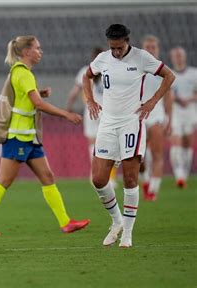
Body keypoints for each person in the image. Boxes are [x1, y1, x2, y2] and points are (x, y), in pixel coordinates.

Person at [0, 35, 91, 237]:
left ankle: (66, 222)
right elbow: (38, 104)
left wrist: (39, 92)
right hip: (18, 137)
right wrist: (66, 114)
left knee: (48, 177)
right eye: (37, 48)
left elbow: (27, 97)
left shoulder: (24, 74)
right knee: (4, 180)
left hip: (30, 137)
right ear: (26, 52)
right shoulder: (23, 74)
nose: (40, 52)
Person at [83, 24, 175, 248]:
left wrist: (152, 102)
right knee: (98, 180)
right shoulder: (103, 59)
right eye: (112, 48)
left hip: (131, 123)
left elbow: (169, 76)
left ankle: (128, 234)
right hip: (107, 123)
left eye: (119, 47)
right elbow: (87, 77)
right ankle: (117, 222)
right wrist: (90, 100)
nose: (115, 52)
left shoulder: (142, 58)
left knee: (131, 178)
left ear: (127, 41)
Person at [66, 47, 118, 188]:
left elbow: (75, 92)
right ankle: (109, 177)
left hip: (91, 112)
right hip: (107, 112)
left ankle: (94, 174)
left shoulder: (85, 71)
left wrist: (69, 107)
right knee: (110, 144)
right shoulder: (110, 70)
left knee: (92, 144)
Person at [139, 35, 173, 201]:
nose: (150, 49)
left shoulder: (163, 70)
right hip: (138, 116)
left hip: (157, 116)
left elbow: (168, 97)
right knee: (139, 157)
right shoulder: (136, 68)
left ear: (158, 49)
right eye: (148, 46)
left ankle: (153, 190)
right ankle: (145, 181)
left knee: (157, 153)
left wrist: (169, 119)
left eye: (153, 47)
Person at [169, 46, 197, 188]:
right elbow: (166, 94)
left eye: (180, 55)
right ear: (172, 58)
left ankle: (184, 172)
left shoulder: (194, 73)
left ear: (184, 57)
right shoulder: (169, 74)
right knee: (177, 141)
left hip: (191, 111)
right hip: (175, 113)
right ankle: (178, 174)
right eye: (176, 55)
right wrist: (174, 99)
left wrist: (190, 98)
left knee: (187, 142)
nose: (179, 58)